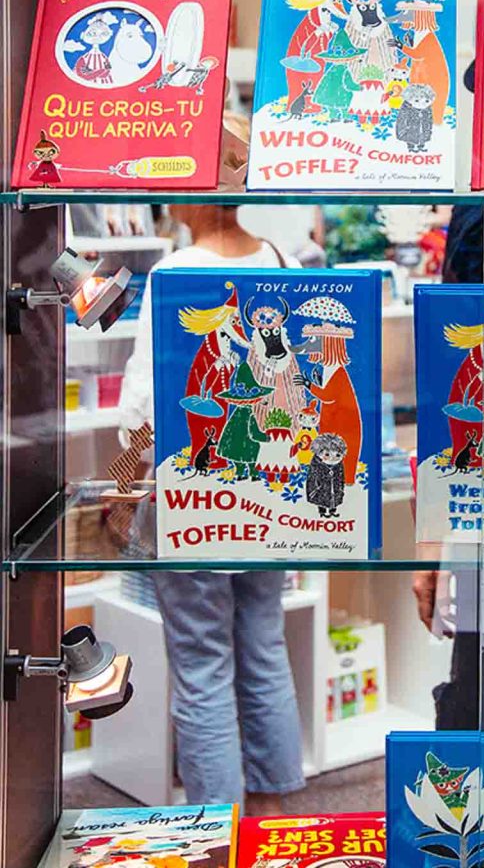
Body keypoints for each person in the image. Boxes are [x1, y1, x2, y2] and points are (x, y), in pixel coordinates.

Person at [118, 113, 307, 813]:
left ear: (191, 192)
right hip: (270, 484)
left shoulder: (175, 272)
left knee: (201, 663)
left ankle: (215, 830)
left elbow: (144, 403)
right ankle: (279, 810)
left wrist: (121, 489)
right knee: (263, 646)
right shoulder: (277, 260)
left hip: (194, 490)